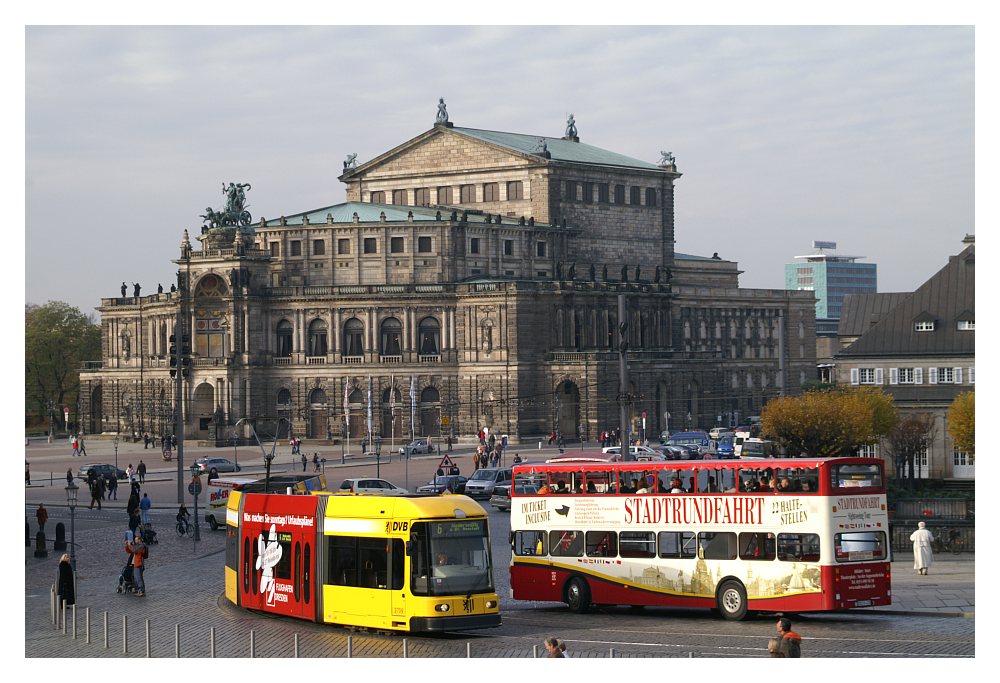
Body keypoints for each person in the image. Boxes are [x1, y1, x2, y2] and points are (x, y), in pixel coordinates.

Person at [127, 532, 147, 596]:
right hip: (135, 564)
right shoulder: (137, 546)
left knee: (138, 579)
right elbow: (129, 551)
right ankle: (139, 590)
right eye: (135, 540)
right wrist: (127, 545)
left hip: (138, 564)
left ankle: (141, 591)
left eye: (136, 540)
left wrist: (130, 545)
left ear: (139, 540)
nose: (135, 541)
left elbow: (135, 550)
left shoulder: (141, 546)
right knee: (137, 578)